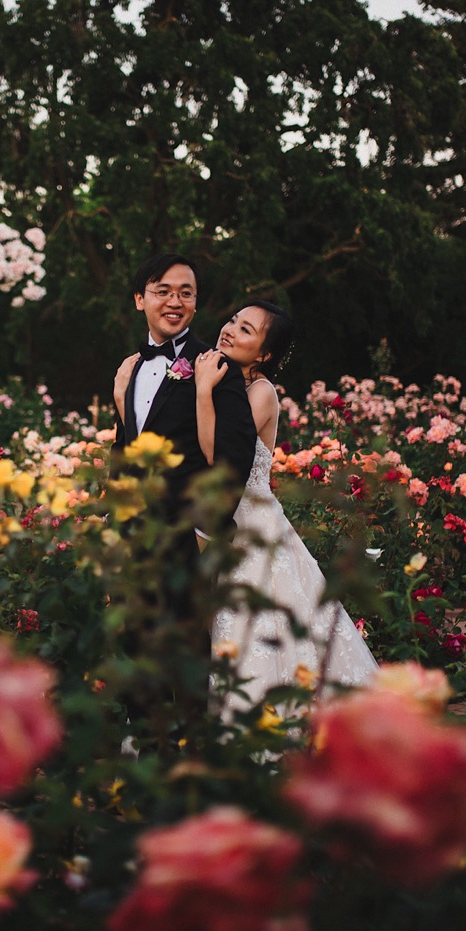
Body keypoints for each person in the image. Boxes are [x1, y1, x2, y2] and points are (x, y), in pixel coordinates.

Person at [193, 301, 377, 717]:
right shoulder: (219, 375)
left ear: (264, 355)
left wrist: (203, 390)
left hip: (249, 523)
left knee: (253, 629)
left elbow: (217, 457)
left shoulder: (260, 392)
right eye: (233, 321)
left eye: (246, 330)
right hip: (209, 516)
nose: (230, 330)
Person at [111, 253, 256, 534]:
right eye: (163, 292)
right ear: (140, 300)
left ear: (195, 301)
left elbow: (234, 458)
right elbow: (124, 448)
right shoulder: (130, 368)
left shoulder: (216, 365)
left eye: (185, 293)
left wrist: (204, 534)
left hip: (187, 539)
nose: (175, 302)